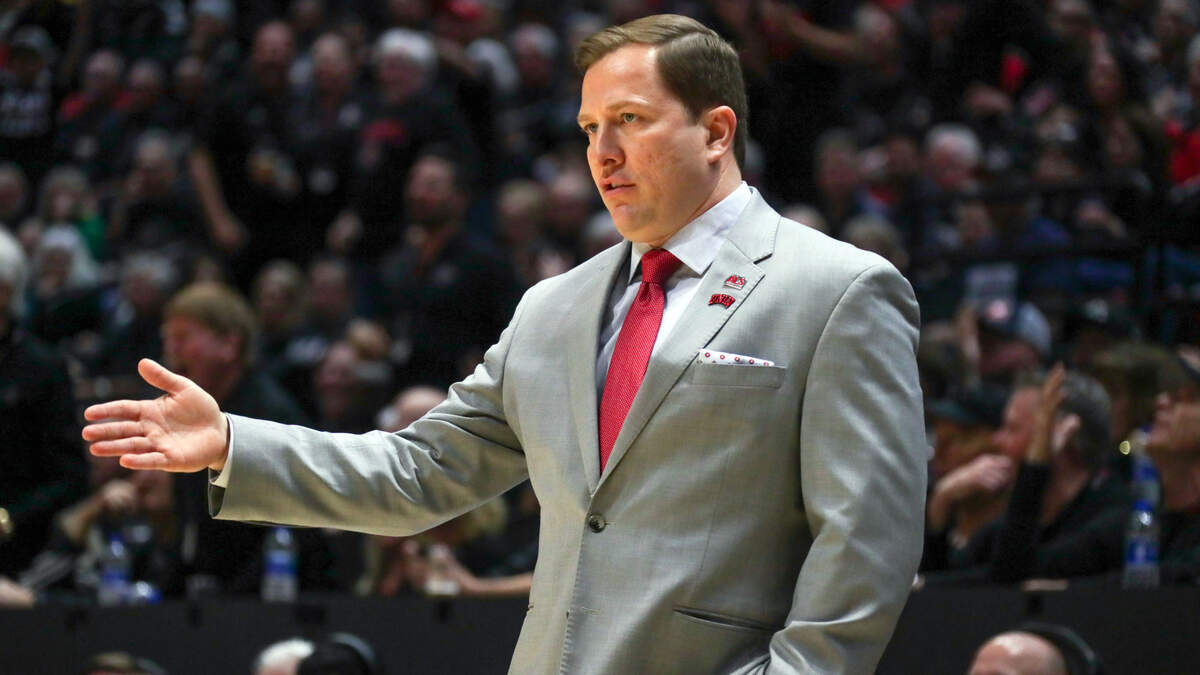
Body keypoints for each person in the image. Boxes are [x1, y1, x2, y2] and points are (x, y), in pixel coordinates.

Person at [83, 15, 927, 673]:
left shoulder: (837, 289)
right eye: (589, 127)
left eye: (629, 120)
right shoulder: (553, 307)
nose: (602, 153)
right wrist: (233, 442)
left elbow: (867, 541)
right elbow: (420, 473)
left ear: (716, 131)